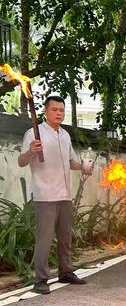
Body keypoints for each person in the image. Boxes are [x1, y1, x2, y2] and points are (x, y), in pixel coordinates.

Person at [17, 95, 92, 295]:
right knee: (45, 238)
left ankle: (66, 271)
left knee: (65, 237)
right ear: (45, 111)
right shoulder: (34, 134)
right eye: (54, 110)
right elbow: (21, 161)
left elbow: (70, 162)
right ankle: (41, 279)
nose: (59, 113)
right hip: (45, 195)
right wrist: (31, 151)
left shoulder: (65, 135)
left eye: (61, 110)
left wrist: (83, 166)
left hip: (64, 194)